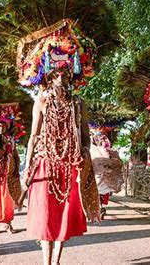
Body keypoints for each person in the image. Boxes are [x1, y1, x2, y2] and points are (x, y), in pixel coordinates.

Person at [23, 68, 99, 265]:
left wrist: (84, 152)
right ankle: (46, 262)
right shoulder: (41, 101)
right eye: (56, 74)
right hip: (44, 163)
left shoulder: (77, 103)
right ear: (48, 77)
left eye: (65, 74)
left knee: (64, 215)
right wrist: (27, 166)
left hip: (69, 165)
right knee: (45, 215)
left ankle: (56, 261)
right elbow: (33, 136)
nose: (61, 78)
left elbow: (85, 136)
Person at [90, 132, 123, 219]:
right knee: (99, 193)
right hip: (102, 178)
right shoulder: (107, 150)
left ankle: (98, 209)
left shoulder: (96, 150)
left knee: (97, 193)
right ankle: (99, 208)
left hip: (98, 177)